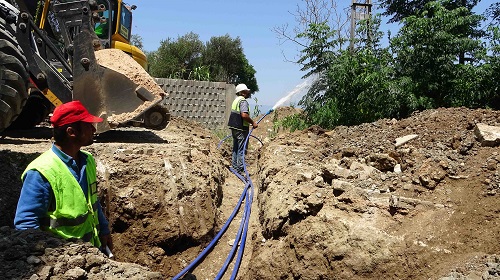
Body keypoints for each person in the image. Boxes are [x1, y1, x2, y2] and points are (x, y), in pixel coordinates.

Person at [14, 100, 113, 253]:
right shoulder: (41, 171)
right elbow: (26, 225)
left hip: (92, 252)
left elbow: (92, 202)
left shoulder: (88, 160)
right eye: (87, 125)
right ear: (71, 132)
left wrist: (104, 230)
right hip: (65, 260)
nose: (93, 129)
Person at [227, 84, 258, 174]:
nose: (248, 92)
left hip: (234, 127)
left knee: (235, 148)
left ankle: (235, 166)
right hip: (241, 128)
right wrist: (253, 123)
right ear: (243, 92)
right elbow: (244, 115)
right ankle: (240, 169)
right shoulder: (243, 101)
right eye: (246, 91)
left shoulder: (236, 100)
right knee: (241, 149)